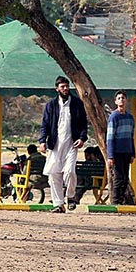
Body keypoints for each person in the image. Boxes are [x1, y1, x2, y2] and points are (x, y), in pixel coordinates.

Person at [39, 76, 88, 213]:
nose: (65, 89)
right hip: (55, 145)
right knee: (54, 174)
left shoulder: (77, 103)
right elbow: (45, 124)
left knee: (69, 172)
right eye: (62, 87)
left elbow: (84, 123)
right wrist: (42, 141)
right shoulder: (51, 105)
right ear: (57, 89)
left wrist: (82, 138)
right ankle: (58, 204)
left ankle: (71, 196)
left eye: (67, 86)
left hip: (71, 144)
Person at [106, 90, 135, 205]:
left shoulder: (130, 117)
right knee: (118, 178)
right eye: (119, 98)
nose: (121, 100)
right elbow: (110, 137)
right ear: (115, 101)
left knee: (125, 178)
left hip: (127, 151)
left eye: (123, 98)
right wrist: (110, 155)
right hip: (117, 152)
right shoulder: (114, 117)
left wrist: (133, 153)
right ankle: (115, 201)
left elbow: (132, 136)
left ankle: (122, 200)